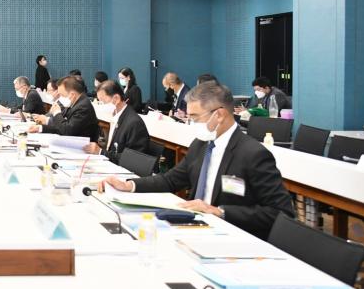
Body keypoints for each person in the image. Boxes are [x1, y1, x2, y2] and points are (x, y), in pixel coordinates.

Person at [101, 82, 295, 239]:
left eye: (195, 117)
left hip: (231, 236)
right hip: (195, 229)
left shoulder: (252, 154)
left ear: (219, 115)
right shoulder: (201, 144)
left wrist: (220, 212)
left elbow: (281, 213)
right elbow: (171, 179)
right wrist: (129, 185)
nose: (191, 123)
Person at [85, 81, 150, 162]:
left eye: (103, 101)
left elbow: (133, 159)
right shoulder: (117, 116)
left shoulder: (134, 123)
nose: (101, 105)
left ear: (116, 99)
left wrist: (101, 152)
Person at [28, 76, 99, 140]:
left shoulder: (83, 107)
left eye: (62, 95)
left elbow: (66, 131)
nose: (60, 98)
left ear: (72, 94)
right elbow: (61, 126)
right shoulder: (74, 103)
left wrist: (57, 113)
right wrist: (40, 128)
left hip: (80, 145)